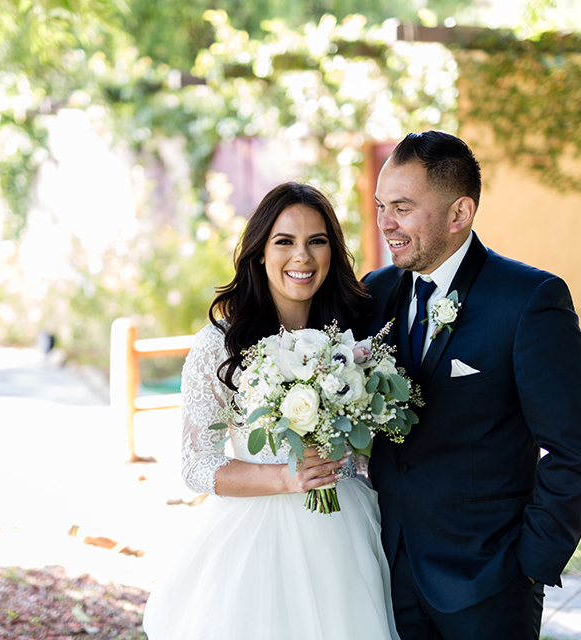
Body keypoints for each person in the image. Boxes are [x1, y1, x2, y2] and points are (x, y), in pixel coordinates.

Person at [362, 130, 581, 639]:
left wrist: (531, 563)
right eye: (382, 205)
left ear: (459, 214)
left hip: (489, 585)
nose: (386, 223)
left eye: (403, 208)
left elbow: (575, 450)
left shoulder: (530, 300)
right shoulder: (374, 294)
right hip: (386, 575)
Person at [143, 182, 398, 640]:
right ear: (260, 252)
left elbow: (367, 452)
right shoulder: (220, 344)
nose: (302, 256)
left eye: (316, 241)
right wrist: (286, 478)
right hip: (252, 540)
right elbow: (196, 465)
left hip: (344, 531)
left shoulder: (354, 341)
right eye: (285, 242)